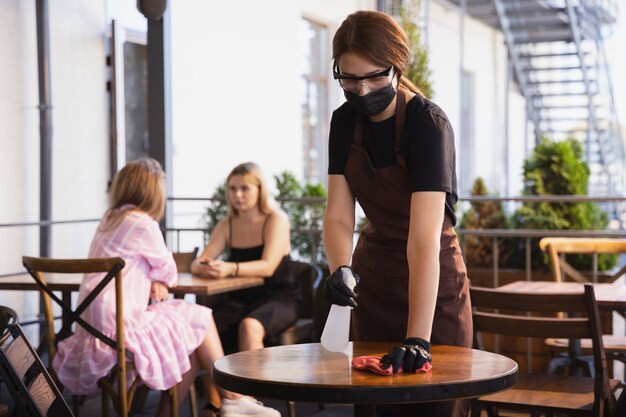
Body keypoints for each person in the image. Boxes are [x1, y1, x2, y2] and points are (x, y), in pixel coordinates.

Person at [322, 10, 472, 417]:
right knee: (374, 406)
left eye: (374, 76)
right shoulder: (343, 122)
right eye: (349, 79)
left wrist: (418, 339)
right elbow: (338, 214)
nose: (362, 89)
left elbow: (423, 241)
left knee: (434, 405)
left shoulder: (427, 124)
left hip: (432, 287)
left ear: (397, 66)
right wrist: (340, 267)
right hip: (375, 284)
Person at [53, 158, 279, 417]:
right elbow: (169, 270)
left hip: (91, 329)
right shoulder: (143, 223)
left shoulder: (110, 218)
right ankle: (234, 400)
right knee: (199, 318)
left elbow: (152, 269)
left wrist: (156, 278)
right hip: (120, 329)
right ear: (152, 190)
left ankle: (218, 404)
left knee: (190, 337)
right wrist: (159, 278)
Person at [191, 162, 300, 353]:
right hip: (240, 301)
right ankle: (215, 384)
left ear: (260, 190)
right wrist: (205, 266)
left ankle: (251, 384)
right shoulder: (227, 224)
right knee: (199, 327)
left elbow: (268, 267)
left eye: (244, 188)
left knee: (249, 326)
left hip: (279, 298)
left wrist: (229, 268)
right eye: (232, 188)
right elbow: (198, 262)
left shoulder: (276, 219)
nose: (237, 195)